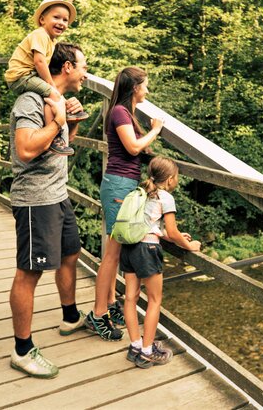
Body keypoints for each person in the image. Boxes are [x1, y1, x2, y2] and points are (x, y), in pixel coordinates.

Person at [8, 43, 90, 378]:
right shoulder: (30, 100)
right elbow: (26, 149)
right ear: (68, 67)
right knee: (29, 272)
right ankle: (22, 350)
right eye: (84, 66)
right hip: (35, 200)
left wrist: (71, 118)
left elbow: (64, 146)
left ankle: (70, 316)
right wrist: (58, 120)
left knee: (71, 253)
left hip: (57, 193)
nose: (86, 73)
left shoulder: (56, 99)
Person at [86, 67, 164, 341]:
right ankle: (97, 315)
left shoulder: (125, 112)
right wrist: (155, 131)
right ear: (135, 87)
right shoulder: (120, 111)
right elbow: (132, 148)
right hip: (119, 185)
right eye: (146, 86)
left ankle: (108, 306)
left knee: (116, 251)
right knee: (113, 254)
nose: (148, 91)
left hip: (124, 184)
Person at [122, 156, 201, 368]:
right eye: (176, 177)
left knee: (130, 298)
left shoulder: (141, 191)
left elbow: (150, 224)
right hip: (147, 250)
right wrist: (189, 246)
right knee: (154, 301)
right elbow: (173, 231)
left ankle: (136, 346)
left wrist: (167, 235)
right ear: (170, 179)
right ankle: (148, 352)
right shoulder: (165, 197)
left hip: (129, 248)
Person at [4, 0, 88, 157]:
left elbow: (70, 138)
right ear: (42, 19)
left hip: (27, 75)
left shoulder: (51, 41)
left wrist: (72, 119)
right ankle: (54, 137)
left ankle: (56, 135)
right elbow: (40, 62)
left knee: (55, 97)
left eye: (65, 20)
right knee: (53, 95)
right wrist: (51, 86)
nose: (61, 23)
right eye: (56, 17)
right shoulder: (40, 34)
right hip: (21, 76)